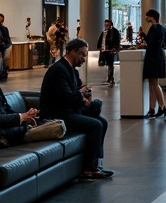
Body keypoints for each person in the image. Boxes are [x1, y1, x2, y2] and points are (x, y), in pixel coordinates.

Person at [39, 38, 113, 179]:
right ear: (72, 52)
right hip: (57, 115)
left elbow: (76, 93)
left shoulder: (71, 70)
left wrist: (83, 96)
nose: (84, 59)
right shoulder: (59, 70)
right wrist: (81, 95)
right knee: (96, 125)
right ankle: (88, 168)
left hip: (68, 110)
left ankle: (97, 164)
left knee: (102, 122)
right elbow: (66, 97)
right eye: (82, 54)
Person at [142, 9, 166, 118]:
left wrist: (144, 36)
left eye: (147, 16)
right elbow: (163, 43)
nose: (146, 18)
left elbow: (150, 42)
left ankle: (162, 106)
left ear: (151, 17)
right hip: (158, 56)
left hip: (153, 57)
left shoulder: (154, 27)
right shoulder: (162, 28)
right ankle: (152, 109)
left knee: (154, 84)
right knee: (153, 83)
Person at [97, 18, 121, 86]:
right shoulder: (105, 32)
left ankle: (111, 77)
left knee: (110, 64)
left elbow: (117, 40)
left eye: (107, 25)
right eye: (105, 25)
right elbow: (101, 40)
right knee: (108, 64)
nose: (106, 26)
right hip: (105, 50)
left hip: (110, 50)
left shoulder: (114, 32)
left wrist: (115, 48)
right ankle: (109, 77)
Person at [0, 13, 12, 82]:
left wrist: (6, 45)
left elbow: (7, 39)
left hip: (3, 47)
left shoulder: (4, 29)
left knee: (3, 61)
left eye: (0, 19)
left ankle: (2, 74)